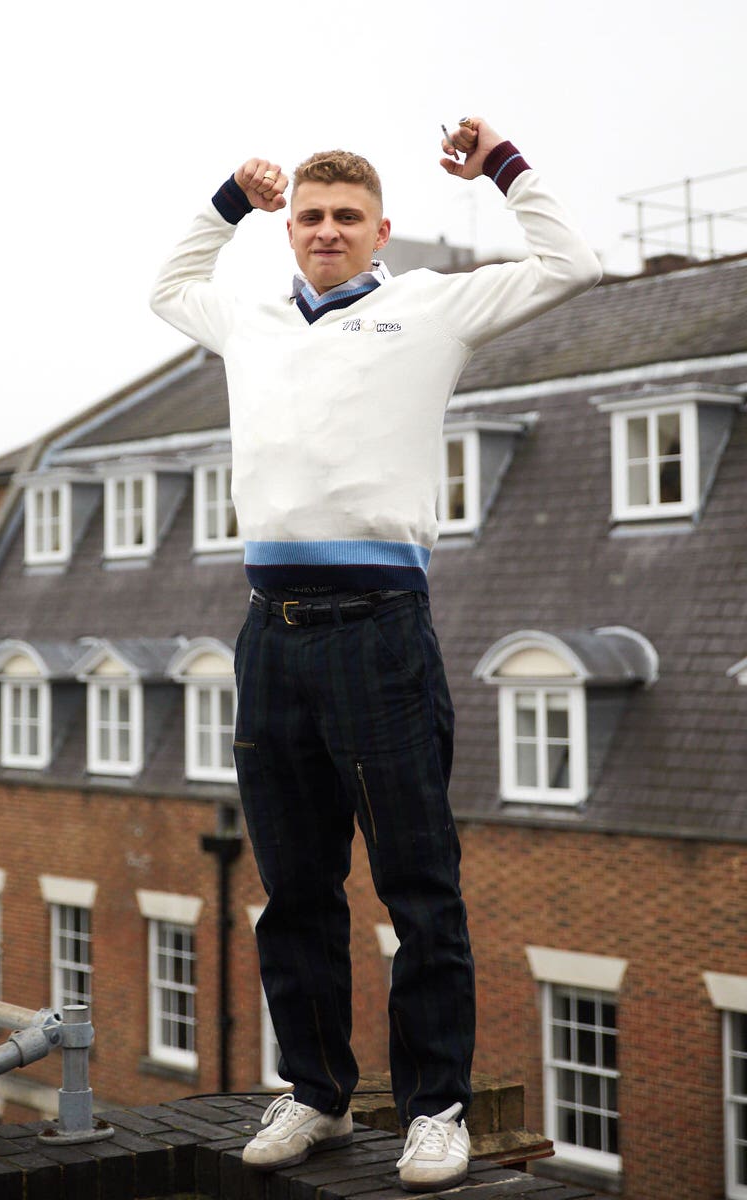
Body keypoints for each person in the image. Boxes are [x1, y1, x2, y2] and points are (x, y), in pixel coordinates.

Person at [150, 116, 601, 1192]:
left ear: (380, 229)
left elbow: (572, 264)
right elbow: (168, 285)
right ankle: (313, 1093)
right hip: (272, 635)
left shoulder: (431, 307)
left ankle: (435, 1107)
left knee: (417, 886)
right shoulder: (248, 319)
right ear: (288, 228)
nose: (324, 232)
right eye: (307, 217)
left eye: (345, 217)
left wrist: (500, 167)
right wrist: (227, 201)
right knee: (294, 888)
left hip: (381, 633)